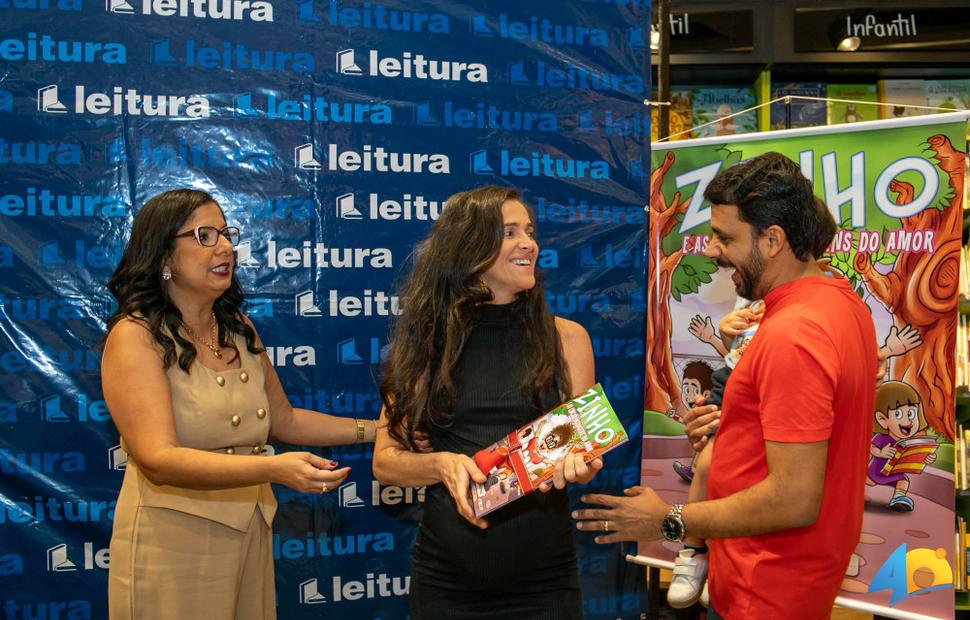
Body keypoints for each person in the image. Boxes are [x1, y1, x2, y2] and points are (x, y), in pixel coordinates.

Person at [574, 152, 878, 619]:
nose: (712, 251)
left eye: (724, 237)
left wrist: (668, 520)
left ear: (773, 240)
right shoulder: (839, 301)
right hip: (781, 576)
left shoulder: (794, 333)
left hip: (767, 586)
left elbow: (794, 499)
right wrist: (728, 427)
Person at [101, 188, 377, 620]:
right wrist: (272, 468)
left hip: (248, 530)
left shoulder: (237, 327)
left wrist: (376, 430)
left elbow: (283, 419)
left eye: (226, 233)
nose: (226, 246)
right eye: (204, 236)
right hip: (172, 547)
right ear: (165, 258)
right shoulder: (134, 337)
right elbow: (157, 459)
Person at [371, 186, 600, 619]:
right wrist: (442, 464)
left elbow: (581, 455)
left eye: (529, 231)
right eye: (509, 232)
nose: (528, 243)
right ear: (469, 247)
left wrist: (580, 465)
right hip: (447, 582)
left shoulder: (569, 339)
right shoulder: (428, 343)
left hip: (545, 581)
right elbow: (385, 461)